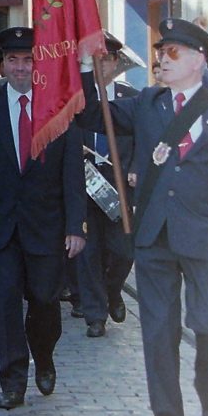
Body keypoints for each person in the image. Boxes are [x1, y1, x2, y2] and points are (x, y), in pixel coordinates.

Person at [76, 17, 208, 416]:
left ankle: (206, 382)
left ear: (199, 60)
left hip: (206, 238)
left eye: (172, 52)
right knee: (158, 333)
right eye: (160, 52)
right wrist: (87, 67)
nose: (161, 59)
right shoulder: (147, 103)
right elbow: (90, 114)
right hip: (154, 235)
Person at [0, 26, 87, 411]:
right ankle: (12, 381)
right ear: (1, 65)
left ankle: (43, 356)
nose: (20, 67)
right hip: (0, 225)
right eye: (12, 60)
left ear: (38, 64)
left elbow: (73, 173)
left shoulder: (60, 107)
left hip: (46, 224)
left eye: (27, 60)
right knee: (6, 302)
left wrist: (75, 226)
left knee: (45, 299)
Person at [76, 33, 137, 339]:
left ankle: (113, 292)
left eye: (106, 59)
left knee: (123, 250)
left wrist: (136, 168)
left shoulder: (130, 97)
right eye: (95, 59)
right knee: (89, 253)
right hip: (85, 181)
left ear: (115, 62)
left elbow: (143, 138)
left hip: (120, 186)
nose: (101, 64)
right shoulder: (78, 98)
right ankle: (95, 315)